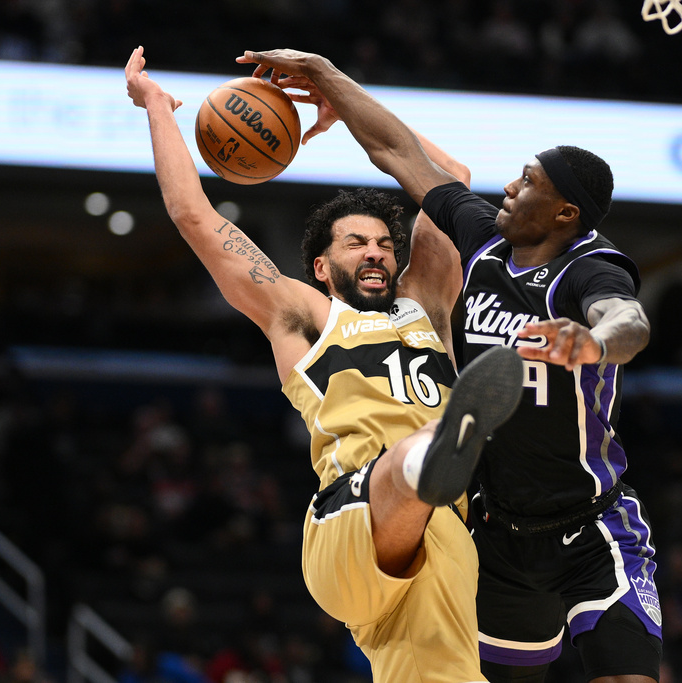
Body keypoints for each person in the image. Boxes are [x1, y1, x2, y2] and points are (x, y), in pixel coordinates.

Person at [236, 48, 662, 683]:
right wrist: (326, 77)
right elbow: (397, 152)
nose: (509, 187)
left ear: (564, 214)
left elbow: (630, 321)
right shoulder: (483, 237)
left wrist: (593, 342)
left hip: (591, 523)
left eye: (527, 182)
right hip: (496, 530)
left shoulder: (588, 269)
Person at [124, 46, 524, 683]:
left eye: (385, 244)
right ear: (321, 266)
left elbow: (449, 175)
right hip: (349, 513)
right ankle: (433, 451)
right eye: (356, 243)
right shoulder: (304, 314)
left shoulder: (427, 308)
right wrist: (156, 108)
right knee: (411, 460)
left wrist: (346, 103)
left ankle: (437, 456)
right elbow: (193, 216)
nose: (376, 252)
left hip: (442, 532)